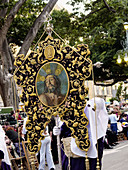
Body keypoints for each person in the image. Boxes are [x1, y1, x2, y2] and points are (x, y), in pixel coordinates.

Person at [53, 97, 108, 170]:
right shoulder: (74, 114)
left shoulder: (98, 128)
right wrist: (59, 131)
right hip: (74, 153)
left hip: (89, 155)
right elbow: (66, 128)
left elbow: (99, 153)